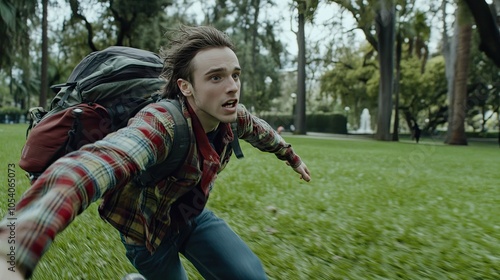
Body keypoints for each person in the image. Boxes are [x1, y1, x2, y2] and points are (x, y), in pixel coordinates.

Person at [0, 25, 311, 280]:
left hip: (190, 216)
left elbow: (261, 131)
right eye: (216, 77)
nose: (232, 86)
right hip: (147, 237)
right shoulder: (160, 123)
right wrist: (13, 248)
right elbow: (97, 164)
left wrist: (291, 157)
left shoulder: (234, 116)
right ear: (186, 87)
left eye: (235, 74)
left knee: (251, 276)